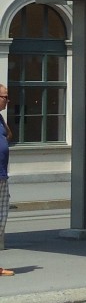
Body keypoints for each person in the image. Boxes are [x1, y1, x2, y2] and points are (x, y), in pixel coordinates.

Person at [1, 84, 14, 275]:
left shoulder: (0, 119)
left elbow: (10, 135)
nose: (7, 100)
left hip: (2, 176)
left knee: (0, 220)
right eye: (5, 97)